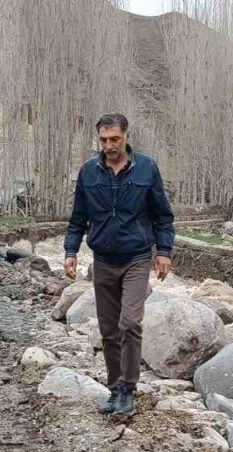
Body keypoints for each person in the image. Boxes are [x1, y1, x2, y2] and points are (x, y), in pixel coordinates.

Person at [63, 113, 175, 418]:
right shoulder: (88, 172)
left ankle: (128, 388)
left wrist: (163, 252)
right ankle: (114, 390)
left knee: (129, 323)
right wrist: (71, 251)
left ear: (126, 136)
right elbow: (77, 218)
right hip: (103, 261)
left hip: (137, 258)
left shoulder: (147, 168)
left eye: (115, 139)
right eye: (103, 140)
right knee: (109, 330)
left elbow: (163, 216)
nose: (109, 145)